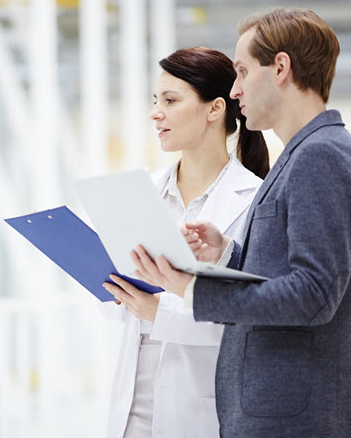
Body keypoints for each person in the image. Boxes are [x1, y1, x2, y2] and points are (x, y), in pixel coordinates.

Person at [129, 8, 351, 437]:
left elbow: (313, 295)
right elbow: (293, 272)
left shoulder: (320, 156)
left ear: (281, 68)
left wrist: (192, 290)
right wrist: (228, 254)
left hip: (301, 418)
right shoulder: (303, 155)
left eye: (243, 71)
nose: (235, 90)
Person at [99, 47, 269, 438]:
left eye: (171, 101)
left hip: (200, 407)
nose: (155, 113)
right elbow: (118, 307)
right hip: (132, 407)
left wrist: (157, 310)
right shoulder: (141, 192)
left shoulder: (258, 200)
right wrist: (116, 291)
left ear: (215, 109)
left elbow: (254, 320)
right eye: (155, 101)